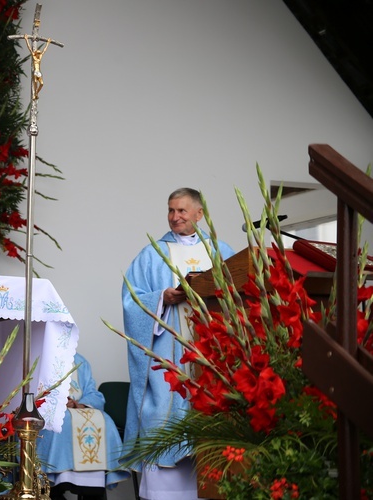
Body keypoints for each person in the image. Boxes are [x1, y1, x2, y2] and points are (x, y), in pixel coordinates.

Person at [121, 188, 235, 500]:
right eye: (171, 211)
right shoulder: (152, 254)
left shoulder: (222, 252)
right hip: (168, 357)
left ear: (200, 214)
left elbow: (242, 295)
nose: (175, 217)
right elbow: (131, 301)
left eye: (182, 211)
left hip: (210, 357)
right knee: (162, 418)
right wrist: (162, 298)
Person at [37, 353, 128, 500]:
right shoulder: (39, 355)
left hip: (78, 409)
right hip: (49, 413)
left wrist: (78, 404)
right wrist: (56, 402)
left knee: (104, 420)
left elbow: (92, 394)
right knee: (62, 421)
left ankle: (94, 489)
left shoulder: (79, 360)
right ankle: (53, 488)